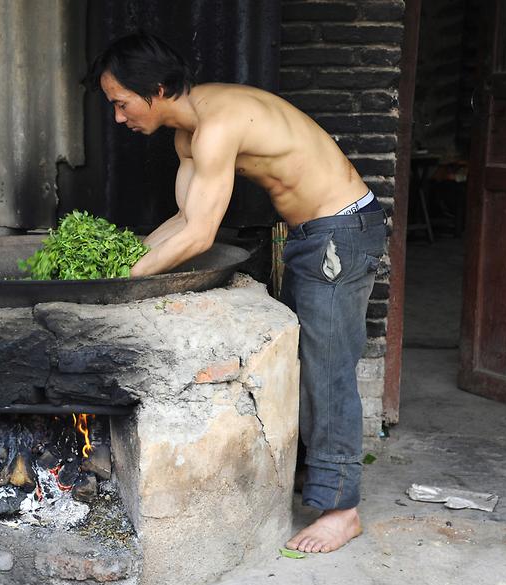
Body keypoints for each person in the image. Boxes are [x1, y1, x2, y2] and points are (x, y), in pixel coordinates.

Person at [87, 32, 387, 553]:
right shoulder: (188, 134)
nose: (119, 117)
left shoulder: (218, 125)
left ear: (156, 90)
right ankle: (317, 474)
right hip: (312, 236)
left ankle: (342, 510)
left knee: (327, 367)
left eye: (121, 103)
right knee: (303, 360)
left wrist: (120, 283)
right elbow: (182, 220)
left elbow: (202, 236)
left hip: (339, 232)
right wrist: (118, 262)